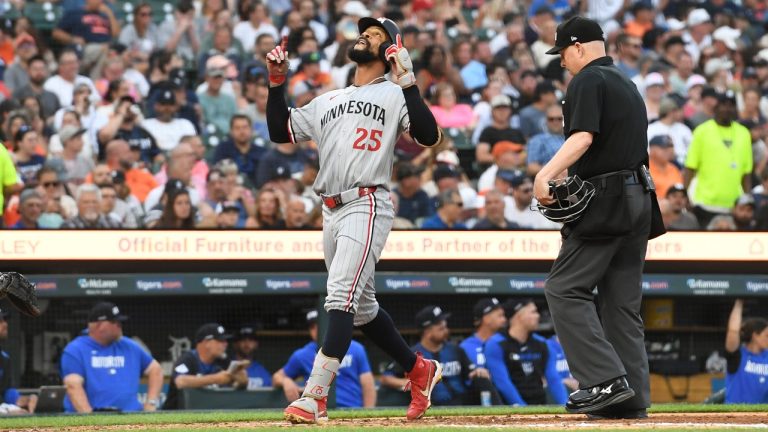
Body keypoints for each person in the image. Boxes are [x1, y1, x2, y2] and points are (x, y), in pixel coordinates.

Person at [267, 17, 443, 423]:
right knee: (361, 307)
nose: (366, 36)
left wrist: (409, 83)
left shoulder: (395, 93)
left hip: (367, 201)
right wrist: (277, 83)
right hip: (330, 208)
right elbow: (281, 130)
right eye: (365, 32)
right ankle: (419, 369)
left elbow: (430, 137)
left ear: (389, 51)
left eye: (377, 35)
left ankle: (314, 396)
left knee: (340, 297)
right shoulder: (330, 98)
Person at [534, 16, 663, 419]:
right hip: (640, 197)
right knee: (620, 305)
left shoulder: (588, 80)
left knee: (563, 288)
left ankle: (605, 381)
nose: (561, 62)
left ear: (577, 47)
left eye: (562, 53)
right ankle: (631, 399)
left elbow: (583, 136)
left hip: (608, 200)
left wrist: (545, 174)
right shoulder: (626, 82)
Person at [382, 306, 500, 406]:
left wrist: (477, 371)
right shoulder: (412, 354)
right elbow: (386, 378)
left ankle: (497, 414)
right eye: (441, 328)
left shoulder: (456, 350)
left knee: (482, 378)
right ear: (427, 331)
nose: (446, 330)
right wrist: (407, 383)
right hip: (433, 405)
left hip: (463, 401)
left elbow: (470, 372)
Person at [60, 302, 163, 413]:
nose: (120, 325)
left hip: (131, 417)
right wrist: (90, 421)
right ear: (99, 325)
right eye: (115, 322)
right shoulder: (76, 349)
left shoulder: (129, 346)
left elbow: (155, 369)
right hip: (96, 416)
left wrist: (151, 404)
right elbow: (73, 385)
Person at [272, 310, 376, 409]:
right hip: (318, 412)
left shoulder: (355, 349)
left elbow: (368, 385)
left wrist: (367, 413)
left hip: (351, 410)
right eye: (312, 327)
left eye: (319, 325)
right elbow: (277, 377)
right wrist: (286, 381)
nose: (315, 330)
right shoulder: (302, 355)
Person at [684, 90, 753, 228]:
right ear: (716, 107)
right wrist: (686, 196)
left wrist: (747, 199)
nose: (727, 109)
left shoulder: (744, 133)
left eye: (731, 105)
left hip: (734, 206)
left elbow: (746, 173)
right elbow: (690, 167)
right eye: (723, 104)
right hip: (705, 204)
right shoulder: (702, 131)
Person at [484, 299, 568, 406]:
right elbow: (502, 382)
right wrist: (522, 408)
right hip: (507, 409)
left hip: (539, 405)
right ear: (519, 316)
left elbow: (553, 379)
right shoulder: (496, 344)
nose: (537, 316)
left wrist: (566, 405)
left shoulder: (542, 344)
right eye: (533, 312)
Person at [163, 323, 249, 410]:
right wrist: (216, 379)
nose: (225, 344)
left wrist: (242, 382)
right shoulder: (188, 359)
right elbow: (180, 381)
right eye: (220, 341)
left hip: (207, 414)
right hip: (175, 416)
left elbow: (235, 385)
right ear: (207, 342)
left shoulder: (223, 361)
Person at [724, 299, 768, 403]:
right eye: (767, 335)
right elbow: (733, 332)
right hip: (735, 415)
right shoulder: (738, 355)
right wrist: (739, 304)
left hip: (762, 417)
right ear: (755, 336)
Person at [0, 308, 37, 413]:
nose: (5, 324)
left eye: (4, 320)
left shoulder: (4, 358)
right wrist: (6, 410)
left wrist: (20, 400)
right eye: (0, 321)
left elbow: (6, 390)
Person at [460, 298, 506, 368]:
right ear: (486, 319)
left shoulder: (506, 343)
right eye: (500, 316)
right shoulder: (465, 347)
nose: (504, 320)